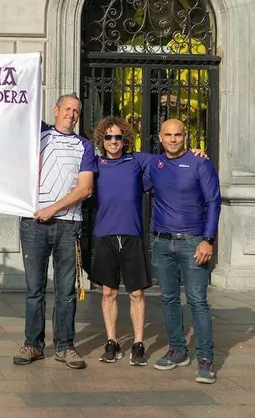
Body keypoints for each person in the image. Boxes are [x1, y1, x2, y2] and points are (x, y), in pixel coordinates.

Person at [13, 93, 97, 369]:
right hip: (32, 224)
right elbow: (13, 114)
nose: (71, 114)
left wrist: (52, 209)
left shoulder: (85, 146)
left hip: (68, 226)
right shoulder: (37, 133)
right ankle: (32, 345)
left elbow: (85, 189)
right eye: (67, 109)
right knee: (34, 289)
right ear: (56, 109)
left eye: (76, 111)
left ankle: (65, 346)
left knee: (66, 291)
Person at [147, 118, 221, 384]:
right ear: (160, 136)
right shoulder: (154, 165)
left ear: (185, 136)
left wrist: (208, 240)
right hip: (162, 242)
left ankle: (205, 359)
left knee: (197, 301)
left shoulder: (201, 164)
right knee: (168, 298)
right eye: (168, 135)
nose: (173, 139)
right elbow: (122, 163)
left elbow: (214, 201)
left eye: (178, 135)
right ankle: (178, 351)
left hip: (193, 242)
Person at [89, 116, 153, 366]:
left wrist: (196, 152)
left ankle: (138, 344)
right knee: (108, 292)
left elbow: (168, 160)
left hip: (132, 235)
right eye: (108, 137)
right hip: (105, 235)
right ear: (101, 140)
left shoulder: (137, 161)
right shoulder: (94, 164)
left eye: (117, 137)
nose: (113, 141)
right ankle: (112, 342)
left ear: (124, 139)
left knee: (136, 292)